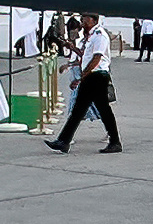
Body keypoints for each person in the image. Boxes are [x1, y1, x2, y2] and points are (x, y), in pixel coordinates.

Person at [45, 12, 121, 154]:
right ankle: (64, 141)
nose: (82, 22)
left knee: (101, 110)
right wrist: (72, 48)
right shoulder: (90, 36)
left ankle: (115, 142)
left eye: (85, 19)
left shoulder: (100, 35)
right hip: (91, 76)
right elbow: (85, 56)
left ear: (93, 20)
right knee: (80, 110)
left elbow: (97, 58)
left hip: (97, 76)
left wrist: (82, 77)